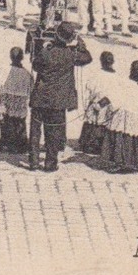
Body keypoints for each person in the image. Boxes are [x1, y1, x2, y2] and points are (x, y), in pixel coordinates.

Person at [28, 22, 92, 173]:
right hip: (58, 101)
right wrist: (81, 45)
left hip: (40, 98)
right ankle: (50, 164)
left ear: (56, 34)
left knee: (35, 131)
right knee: (54, 133)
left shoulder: (45, 52)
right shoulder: (71, 54)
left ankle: (33, 162)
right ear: (70, 39)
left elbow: (36, 65)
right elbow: (87, 58)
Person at [0, 46, 34, 155]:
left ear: (10, 57)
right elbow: (31, 89)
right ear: (22, 57)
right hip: (21, 99)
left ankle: (5, 143)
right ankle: (20, 145)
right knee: (19, 122)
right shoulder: (27, 73)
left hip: (7, 98)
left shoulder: (4, 69)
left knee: (6, 120)